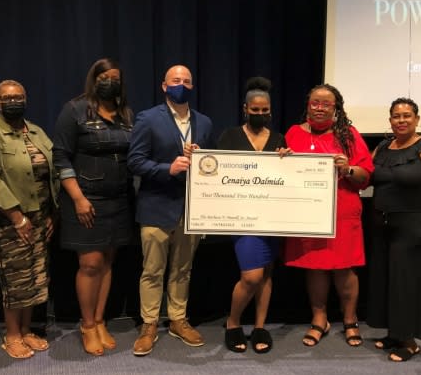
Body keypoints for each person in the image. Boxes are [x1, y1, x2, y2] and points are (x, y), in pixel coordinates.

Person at [0, 80, 60, 360]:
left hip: (41, 218)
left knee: (34, 278)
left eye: (19, 96)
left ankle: (27, 329)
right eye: (7, 98)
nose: (14, 101)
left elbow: (52, 172)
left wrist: (52, 214)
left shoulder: (36, 132)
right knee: (15, 280)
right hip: (10, 221)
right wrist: (17, 218)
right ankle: (12, 335)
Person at [128, 64, 214, 356]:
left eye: (187, 81)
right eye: (175, 80)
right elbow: (135, 161)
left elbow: (212, 167)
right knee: (152, 270)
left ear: (192, 87)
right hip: (156, 207)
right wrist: (169, 168)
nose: (181, 84)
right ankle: (149, 324)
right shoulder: (147, 119)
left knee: (183, 270)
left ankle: (178, 319)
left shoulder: (204, 122)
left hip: (191, 210)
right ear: (164, 86)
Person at [53, 58, 134, 356]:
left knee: (108, 262)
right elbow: (60, 157)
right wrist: (78, 198)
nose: (109, 82)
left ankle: (100, 321)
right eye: (104, 77)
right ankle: (87, 325)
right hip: (86, 199)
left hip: (119, 200)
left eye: (115, 77)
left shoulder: (126, 113)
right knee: (90, 264)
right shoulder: (74, 109)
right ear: (94, 79)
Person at [282, 84, 373, 347]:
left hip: (342, 212)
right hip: (307, 213)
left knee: (344, 268)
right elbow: (282, 174)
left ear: (336, 108)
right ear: (308, 105)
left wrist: (348, 168)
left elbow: (366, 176)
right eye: (315, 103)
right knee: (315, 266)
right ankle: (319, 318)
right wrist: (282, 159)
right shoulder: (293, 133)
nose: (319, 108)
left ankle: (350, 319)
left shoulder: (349, 135)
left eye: (326, 104)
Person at [367, 98, 421, 362]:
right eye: (396, 116)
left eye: (406, 116)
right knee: (387, 282)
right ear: (389, 120)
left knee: (406, 284)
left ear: (416, 118)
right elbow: (367, 176)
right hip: (382, 227)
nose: (401, 120)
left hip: (412, 227)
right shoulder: (382, 147)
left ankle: (409, 341)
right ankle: (394, 333)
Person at [217, 77, 288, 354]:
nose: (260, 114)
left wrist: (289, 161)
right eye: (254, 110)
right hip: (241, 216)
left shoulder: (280, 139)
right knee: (252, 276)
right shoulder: (229, 136)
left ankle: (260, 326)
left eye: (264, 110)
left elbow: (286, 177)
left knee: (267, 272)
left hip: (272, 217)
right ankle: (233, 323)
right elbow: (215, 174)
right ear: (244, 108)